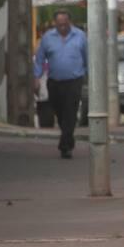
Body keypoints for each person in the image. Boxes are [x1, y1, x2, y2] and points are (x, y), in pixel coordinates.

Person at [32, 9, 88, 158]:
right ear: (55, 24)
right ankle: (68, 136)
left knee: (70, 111)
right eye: (59, 24)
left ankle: (65, 145)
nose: (62, 27)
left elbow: (87, 58)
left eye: (65, 24)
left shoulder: (80, 37)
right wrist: (36, 78)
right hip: (55, 81)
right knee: (59, 112)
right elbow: (39, 59)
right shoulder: (48, 38)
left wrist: (88, 76)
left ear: (69, 22)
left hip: (74, 81)